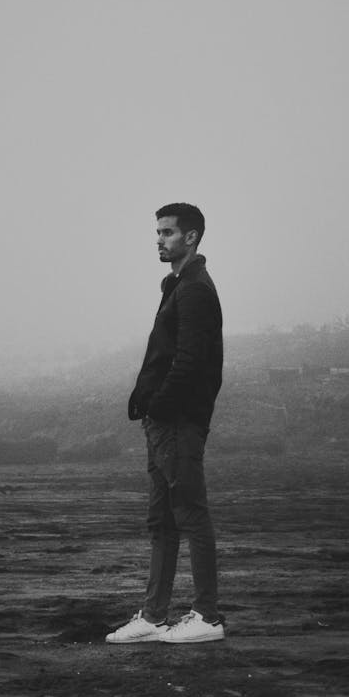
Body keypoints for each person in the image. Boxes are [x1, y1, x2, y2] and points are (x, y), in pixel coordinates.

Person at [106, 202, 225, 645]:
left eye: (168, 232)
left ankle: (206, 617)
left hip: (177, 421)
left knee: (190, 513)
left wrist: (158, 405)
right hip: (164, 422)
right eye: (157, 232)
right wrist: (147, 402)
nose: (159, 239)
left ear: (190, 237)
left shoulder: (195, 289)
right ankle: (154, 616)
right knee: (161, 520)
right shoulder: (177, 285)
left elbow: (193, 361)